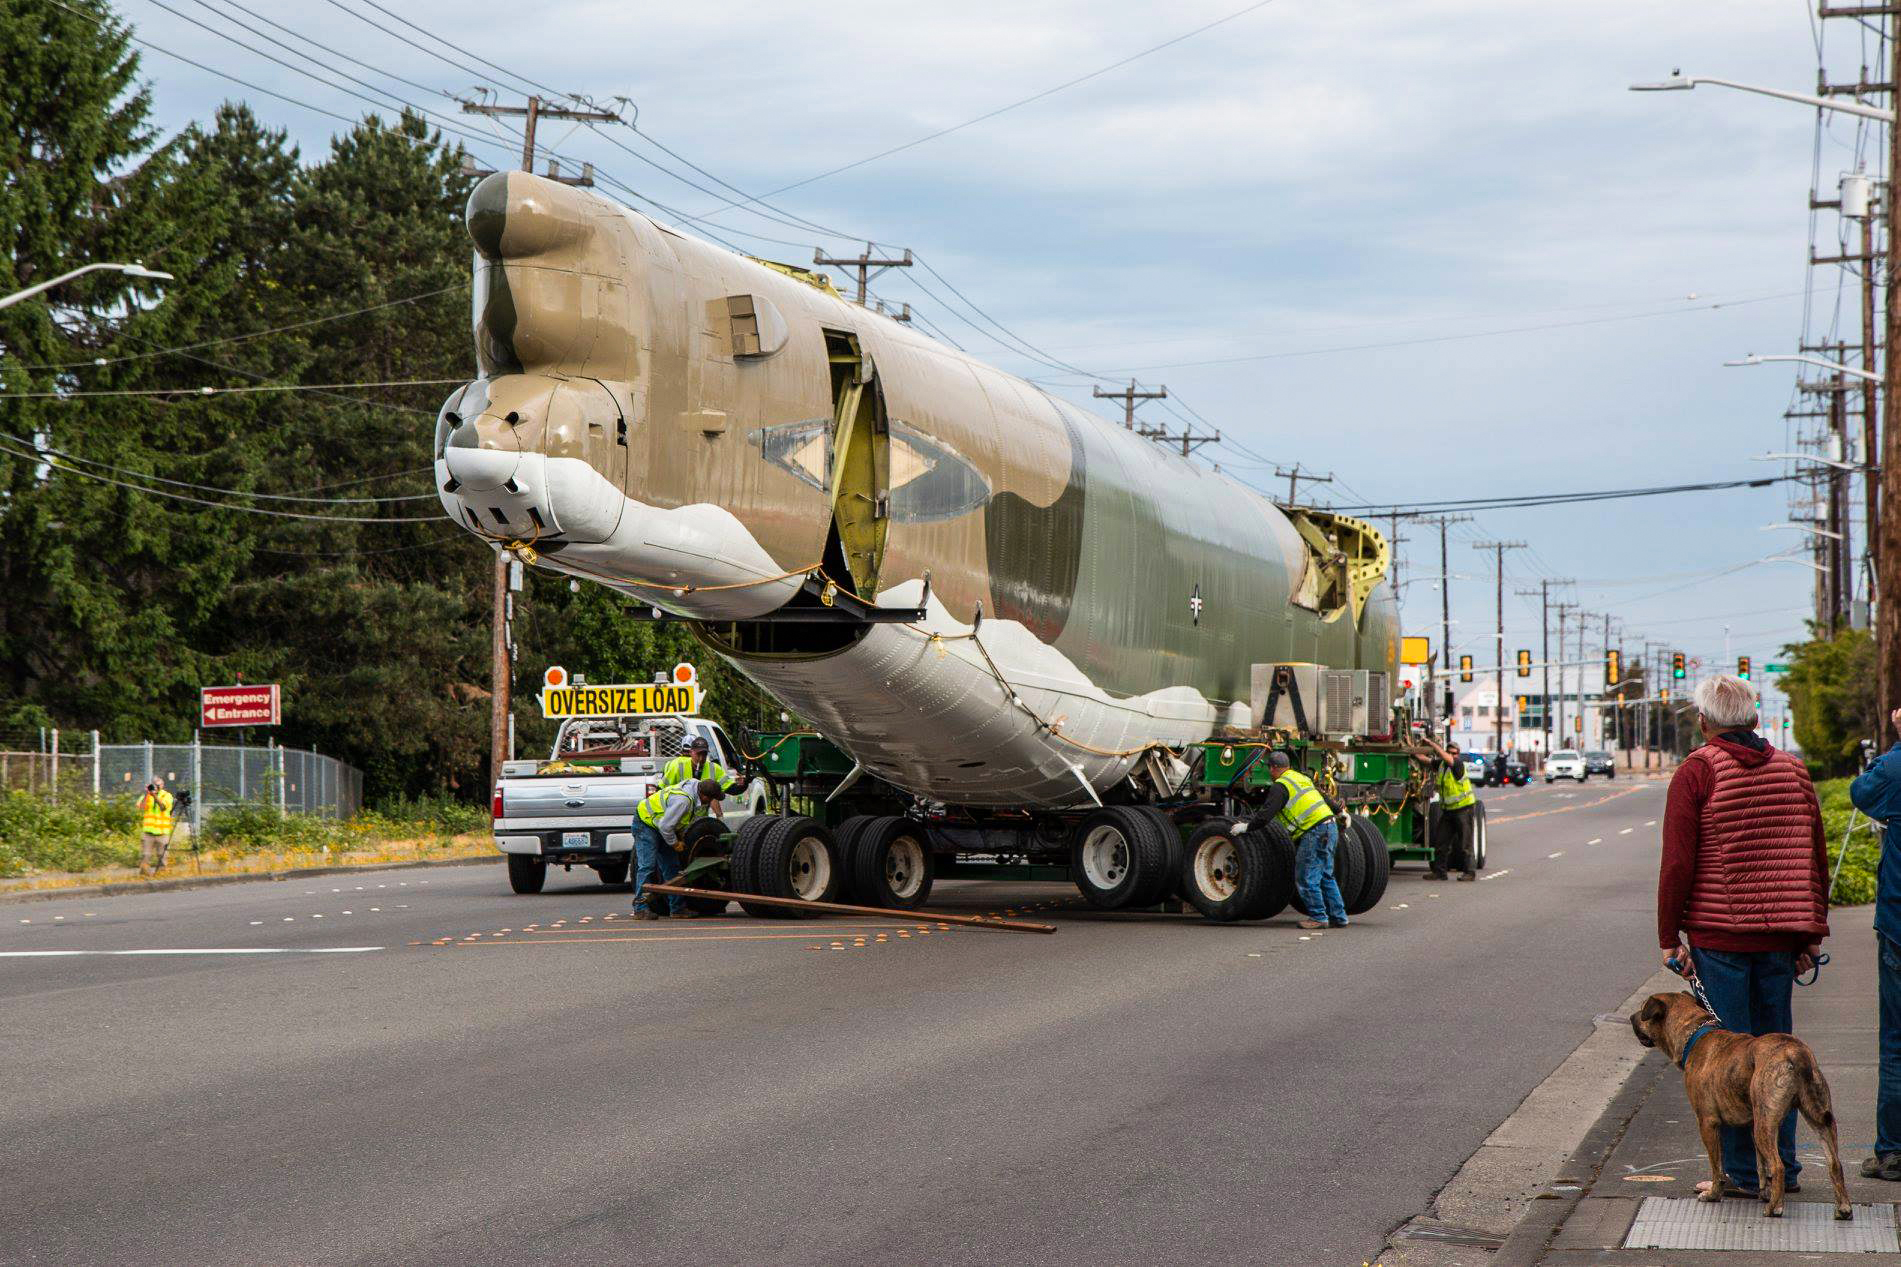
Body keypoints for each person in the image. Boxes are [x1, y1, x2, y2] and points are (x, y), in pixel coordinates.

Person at [1657, 673, 1829, 1200]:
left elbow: (1678, 862)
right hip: (1779, 941)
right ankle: (1786, 1168)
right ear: (1755, 718)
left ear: (1704, 722)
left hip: (1722, 938)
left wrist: (1670, 937)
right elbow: (1813, 858)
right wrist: (1810, 936)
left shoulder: (1698, 770)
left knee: (1727, 1062)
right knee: (1779, 1059)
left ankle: (1744, 1173)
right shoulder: (1793, 770)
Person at [1851, 705, 1901, 1182]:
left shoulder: (1895, 767)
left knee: (1896, 1041)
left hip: (1900, 923)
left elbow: (1861, 793)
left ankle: (1893, 1152)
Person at [1258, 751, 1347, 930]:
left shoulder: (1280, 786)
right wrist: (1339, 811)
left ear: (1273, 768)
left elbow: (1266, 815)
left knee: (1306, 876)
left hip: (1315, 832)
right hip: (1330, 827)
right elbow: (1323, 795)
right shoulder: (1301, 778)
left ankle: (1318, 917)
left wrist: (1246, 827)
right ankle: (1339, 916)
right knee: (1325, 876)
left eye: (1270, 768)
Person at [630, 778, 724, 920]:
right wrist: (675, 844)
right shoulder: (683, 801)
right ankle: (640, 908)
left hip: (660, 825)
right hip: (646, 823)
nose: (711, 803)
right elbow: (665, 827)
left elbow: (674, 823)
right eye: (711, 799)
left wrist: (678, 835)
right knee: (647, 866)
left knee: (672, 867)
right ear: (704, 796)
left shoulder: (695, 787)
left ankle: (677, 909)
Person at [1416, 737, 1477, 881]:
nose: (1452, 755)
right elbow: (1425, 760)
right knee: (1441, 842)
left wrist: (1432, 744)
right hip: (1448, 811)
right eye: (1449, 752)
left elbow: (1446, 758)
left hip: (1463, 809)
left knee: (1465, 844)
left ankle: (1469, 872)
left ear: (1458, 754)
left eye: (1454, 753)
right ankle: (1439, 872)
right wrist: (1412, 748)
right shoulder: (1442, 765)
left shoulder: (1458, 765)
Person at [662, 736, 733, 809]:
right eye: (698, 754)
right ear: (691, 752)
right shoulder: (678, 767)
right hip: (679, 814)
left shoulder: (713, 768)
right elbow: (662, 790)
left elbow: (730, 788)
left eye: (704, 754)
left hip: (699, 817)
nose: (701, 758)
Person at [136, 777, 175, 877]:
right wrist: (147, 794)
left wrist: (154, 796)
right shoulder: (147, 795)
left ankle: (162, 873)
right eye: (155, 784)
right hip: (148, 831)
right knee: (145, 854)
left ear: (163, 786)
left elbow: (163, 807)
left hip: (162, 831)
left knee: (162, 855)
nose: (157, 787)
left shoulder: (167, 795)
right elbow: (141, 807)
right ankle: (144, 873)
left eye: (159, 785)